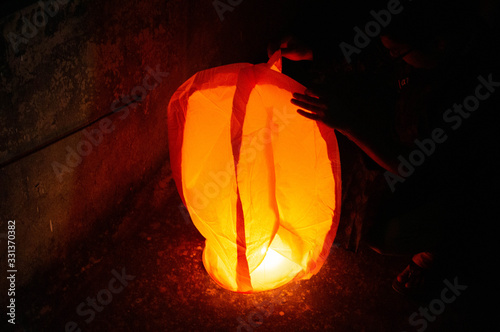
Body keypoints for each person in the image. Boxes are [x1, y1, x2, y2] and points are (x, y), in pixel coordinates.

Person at [272, 0, 500, 295]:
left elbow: (413, 165)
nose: (392, 56)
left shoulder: (467, 93)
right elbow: (373, 58)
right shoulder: (420, 52)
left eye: (397, 52)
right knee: (353, 206)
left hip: (458, 183)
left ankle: (440, 249)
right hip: (410, 147)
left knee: (383, 234)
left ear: (439, 44)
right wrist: (312, 53)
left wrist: (348, 124)